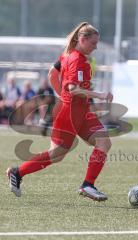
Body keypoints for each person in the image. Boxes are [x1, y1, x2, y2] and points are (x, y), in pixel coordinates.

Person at [7, 22, 113, 201]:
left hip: (81, 111)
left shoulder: (67, 54)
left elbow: (51, 74)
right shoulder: (77, 59)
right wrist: (99, 95)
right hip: (69, 114)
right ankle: (17, 172)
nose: (95, 47)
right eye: (93, 43)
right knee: (57, 155)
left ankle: (88, 185)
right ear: (82, 39)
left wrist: (62, 95)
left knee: (104, 142)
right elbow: (73, 89)